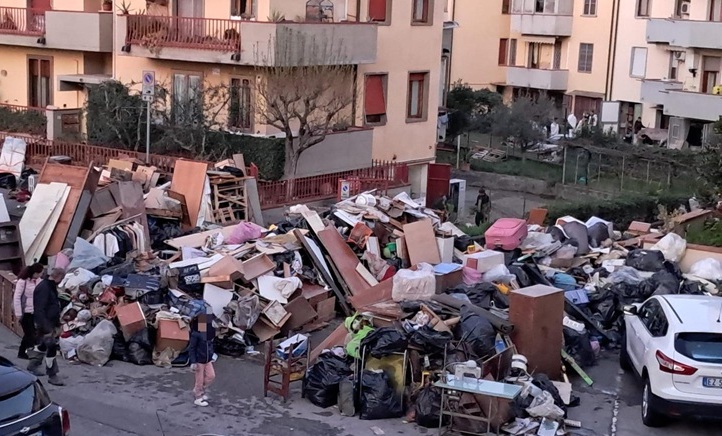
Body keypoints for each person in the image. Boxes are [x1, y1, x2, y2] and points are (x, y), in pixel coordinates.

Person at [27, 268, 65, 386]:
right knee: (51, 346)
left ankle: (33, 365)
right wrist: (45, 326)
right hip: (45, 323)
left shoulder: (48, 286)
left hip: (48, 322)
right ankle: (52, 374)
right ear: (58, 276)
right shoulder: (44, 288)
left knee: (43, 345)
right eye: (62, 278)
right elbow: (39, 309)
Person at [13, 263, 44, 359]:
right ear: (35, 273)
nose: (41, 275)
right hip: (25, 311)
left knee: (29, 333)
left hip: (34, 311)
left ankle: (22, 352)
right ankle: (29, 353)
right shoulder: (23, 282)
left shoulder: (38, 281)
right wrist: (18, 313)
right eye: (40, 273)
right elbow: (17, 297)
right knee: (29, 334)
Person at [189, 312, 216, 407]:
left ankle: (198, 390)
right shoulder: (196, 334)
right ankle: (198, 397)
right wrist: (193, 362)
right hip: (199, 360)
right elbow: (191, 348)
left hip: (208, 359)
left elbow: (211, 345)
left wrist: (212, 355)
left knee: (211, 376)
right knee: (199, 380)